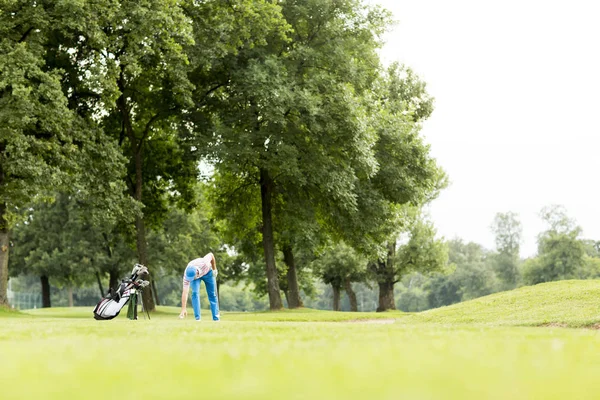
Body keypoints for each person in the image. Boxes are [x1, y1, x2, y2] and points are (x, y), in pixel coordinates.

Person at [179, 252, 220, 321]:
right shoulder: (187, 275)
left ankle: (216, 318)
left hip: (208, 272)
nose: (190, 280)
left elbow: (211, 255)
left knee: (212, 294)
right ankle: (198, 319)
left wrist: (214, 269)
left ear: (197, 273)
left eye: (192, 278)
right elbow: (185, 292)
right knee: (195, 293)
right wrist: (183, 309)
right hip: (197, 276)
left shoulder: (204, 263)